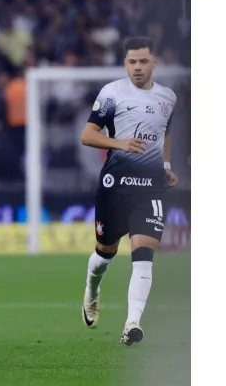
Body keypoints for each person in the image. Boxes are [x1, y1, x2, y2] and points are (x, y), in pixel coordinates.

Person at [79, 37, 178, 345]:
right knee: (104, 254)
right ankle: (91, 290)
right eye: (132, 61)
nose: (137, 67)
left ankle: (132, 323)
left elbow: (165, 133)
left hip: (151, 189)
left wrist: (165, 165)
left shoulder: (168, 98)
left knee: (144, 255)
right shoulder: (112, 93)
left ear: (154, 63)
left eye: (143, 61)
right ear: (125, 63)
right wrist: (119, 143)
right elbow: (87, 135)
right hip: (115, 187)